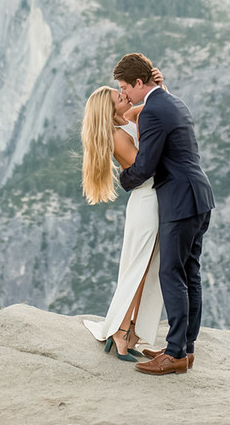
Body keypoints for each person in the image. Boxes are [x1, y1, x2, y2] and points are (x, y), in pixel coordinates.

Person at [114, 52, 215, 376]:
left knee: (172, 273)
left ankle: (174, 354)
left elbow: (146, 165)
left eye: (124, 87)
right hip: (199, 197)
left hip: (178, 201)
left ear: (138, 82)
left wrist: (122, 179)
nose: (124, 94)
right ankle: (185, 348)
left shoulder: (153, 111)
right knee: (190, 274)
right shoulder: (173, 102)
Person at [81, 74, 164, 361]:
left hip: (152, 201)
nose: (125, 96)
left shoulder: (123, 119)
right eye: (120, 97)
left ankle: (130, 331)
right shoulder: (116, 136)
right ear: (110, 109)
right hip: (146, 202)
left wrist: (158, 87)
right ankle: (120, 332)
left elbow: (152, 106)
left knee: (145, 269)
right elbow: (147, 165)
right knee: (138, 270)